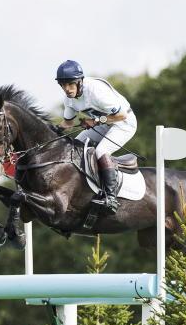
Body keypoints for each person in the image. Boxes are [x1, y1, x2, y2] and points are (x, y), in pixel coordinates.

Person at [56, 59, 138, 214]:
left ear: (79, 81)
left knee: (101, 151)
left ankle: (111, 198)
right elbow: (67, 123)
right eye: (63, 85)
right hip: (104, 124)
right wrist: (51, 130)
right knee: (75, 147)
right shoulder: (69, 99)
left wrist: (95, 121)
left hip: (124, 123)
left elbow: (121, 115)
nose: (67, 89)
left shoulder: (96, 91)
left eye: (70, 84)